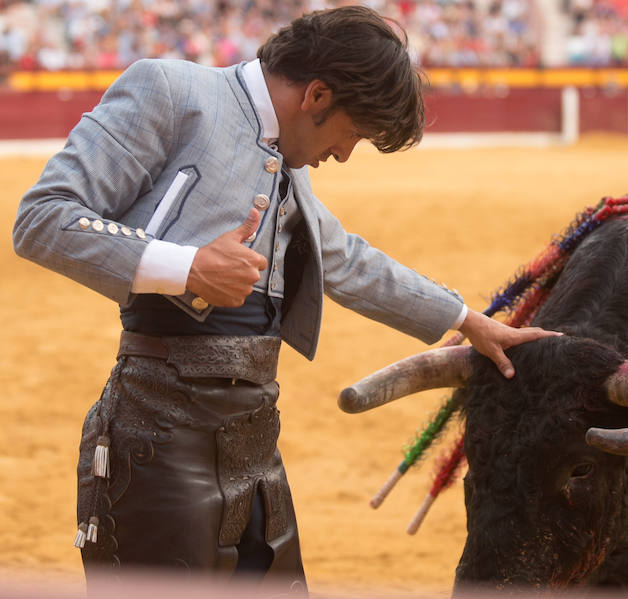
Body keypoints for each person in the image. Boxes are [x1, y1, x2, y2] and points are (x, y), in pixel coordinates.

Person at [11, 5, 557, 595]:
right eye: (352, 133)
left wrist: (469, 321)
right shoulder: (169, 90)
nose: (345, 154)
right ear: (317, 95)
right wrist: (188, 266)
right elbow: (44, 217)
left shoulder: (286, 159)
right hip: (158, 439)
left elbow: (344, 259)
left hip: (254, 444)